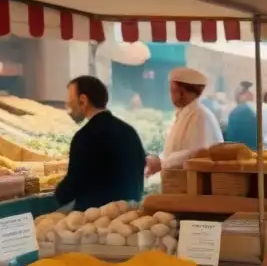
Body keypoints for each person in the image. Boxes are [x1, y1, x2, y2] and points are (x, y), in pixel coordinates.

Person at [55, 76, 146, 211]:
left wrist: (58, 194)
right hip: (129, 213)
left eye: (70, 102)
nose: (69, 108)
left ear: (83, 101)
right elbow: (140, 168)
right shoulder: (129, 131)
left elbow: (74, 182)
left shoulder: (85, 136)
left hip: (96, 218)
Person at [145, 67, 224, 176]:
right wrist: (158, 160)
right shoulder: (183, 114)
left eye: (172, 91)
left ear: (183, 93)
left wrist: (162, 163)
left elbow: (198, 154)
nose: (170, 96)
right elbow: (175, 151)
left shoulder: (201, 116)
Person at [224, 81, 267, 150]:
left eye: (239, 94)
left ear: (247, 94)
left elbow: (232, 140)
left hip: (250, 154)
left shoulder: (239, 111)